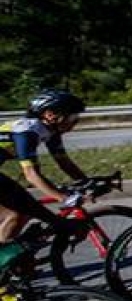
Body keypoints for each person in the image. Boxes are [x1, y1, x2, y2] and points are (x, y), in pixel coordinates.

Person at [0, 90, 90, 241]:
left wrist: (87, 182)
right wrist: (63, 198)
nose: (74, 122)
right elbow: (31, 174)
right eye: (72, 117)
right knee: (21, 210)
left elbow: (64, 162)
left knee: (22, 212)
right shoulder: (26, 131)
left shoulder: (51, 131)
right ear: (50, 115)